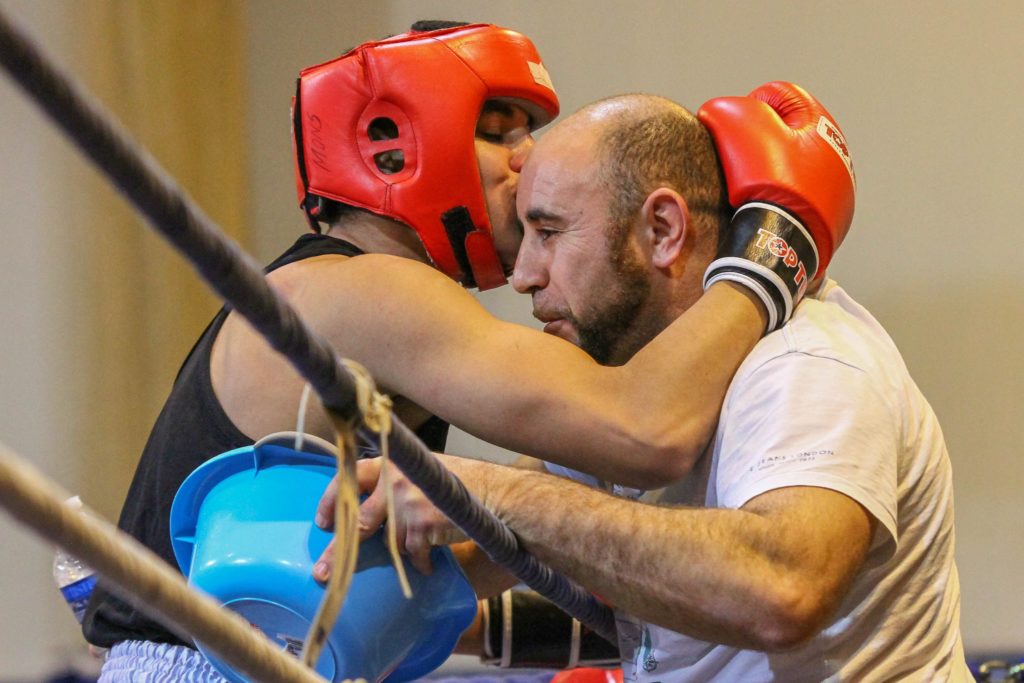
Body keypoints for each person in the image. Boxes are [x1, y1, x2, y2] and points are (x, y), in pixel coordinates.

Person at [81, 21, 801, 678]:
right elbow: (644, 429)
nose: (529, 157)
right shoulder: (365, 292)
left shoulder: (329, 290)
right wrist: (775, 248)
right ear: (390, 144)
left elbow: (454, 536)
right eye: (498, 131)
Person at [350, 91, 971, 680]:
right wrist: (327, 581)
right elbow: (489, 551)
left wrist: (492, 490)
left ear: (663, 230)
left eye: (550, 232)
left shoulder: (802, 360)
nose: (524, 274)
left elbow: (784, 588)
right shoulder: (643, 382)